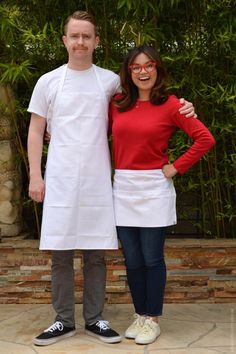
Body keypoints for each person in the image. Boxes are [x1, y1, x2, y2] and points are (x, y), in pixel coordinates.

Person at [27, 11, 196, 347]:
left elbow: (144, 100)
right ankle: (62, 320)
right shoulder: (48, 81)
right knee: (60, 252)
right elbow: (35, 129)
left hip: (99, 179)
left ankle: (94, 319)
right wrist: (35, 174)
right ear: (64, 40)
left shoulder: (109, 81)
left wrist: (183, 106)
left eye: (86, 36)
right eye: (74, 36)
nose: (80, 42)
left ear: (96, 41)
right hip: (59, 178)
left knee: (95, 252)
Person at [109, 45, 215, 345]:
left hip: (154, 187)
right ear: (128, 73)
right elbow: (92, 130)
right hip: (124, 187)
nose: (143, 71)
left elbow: (205, 138)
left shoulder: (171, 105)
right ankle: (140, 315)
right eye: (136, 67)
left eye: (149, 65)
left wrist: (176, 167)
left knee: (151, 257)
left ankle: (153, 318)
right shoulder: (117, 103)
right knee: (131, 259)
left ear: (158, 69)